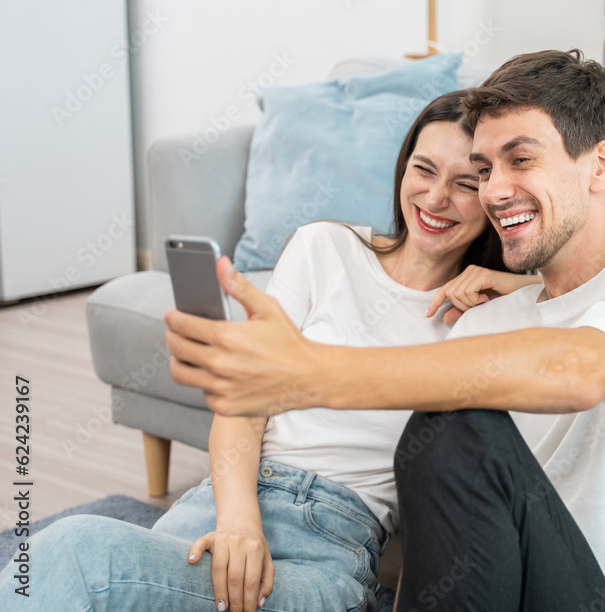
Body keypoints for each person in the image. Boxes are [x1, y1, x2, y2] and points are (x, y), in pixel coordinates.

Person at [164, 49, 605, 612]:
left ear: (600, 164)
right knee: (438, 425)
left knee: (456, 420)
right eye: (486, 170)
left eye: (520, 160)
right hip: (514, 588)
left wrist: (304, 372)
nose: (495, 190)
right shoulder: (489, 319)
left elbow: (579, 370)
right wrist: (527, 292)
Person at [0, 90, 541, 611]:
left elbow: (599, 301)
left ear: (493, 198)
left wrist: (519, 287)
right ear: (403, 169)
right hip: (220, 505)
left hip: (329, 541)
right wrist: (238, 521)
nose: (436, 197)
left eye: (466, 183)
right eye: (424, 169)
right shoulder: (324, 247)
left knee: (76, 553)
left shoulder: (489, 318)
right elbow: (243, 403)